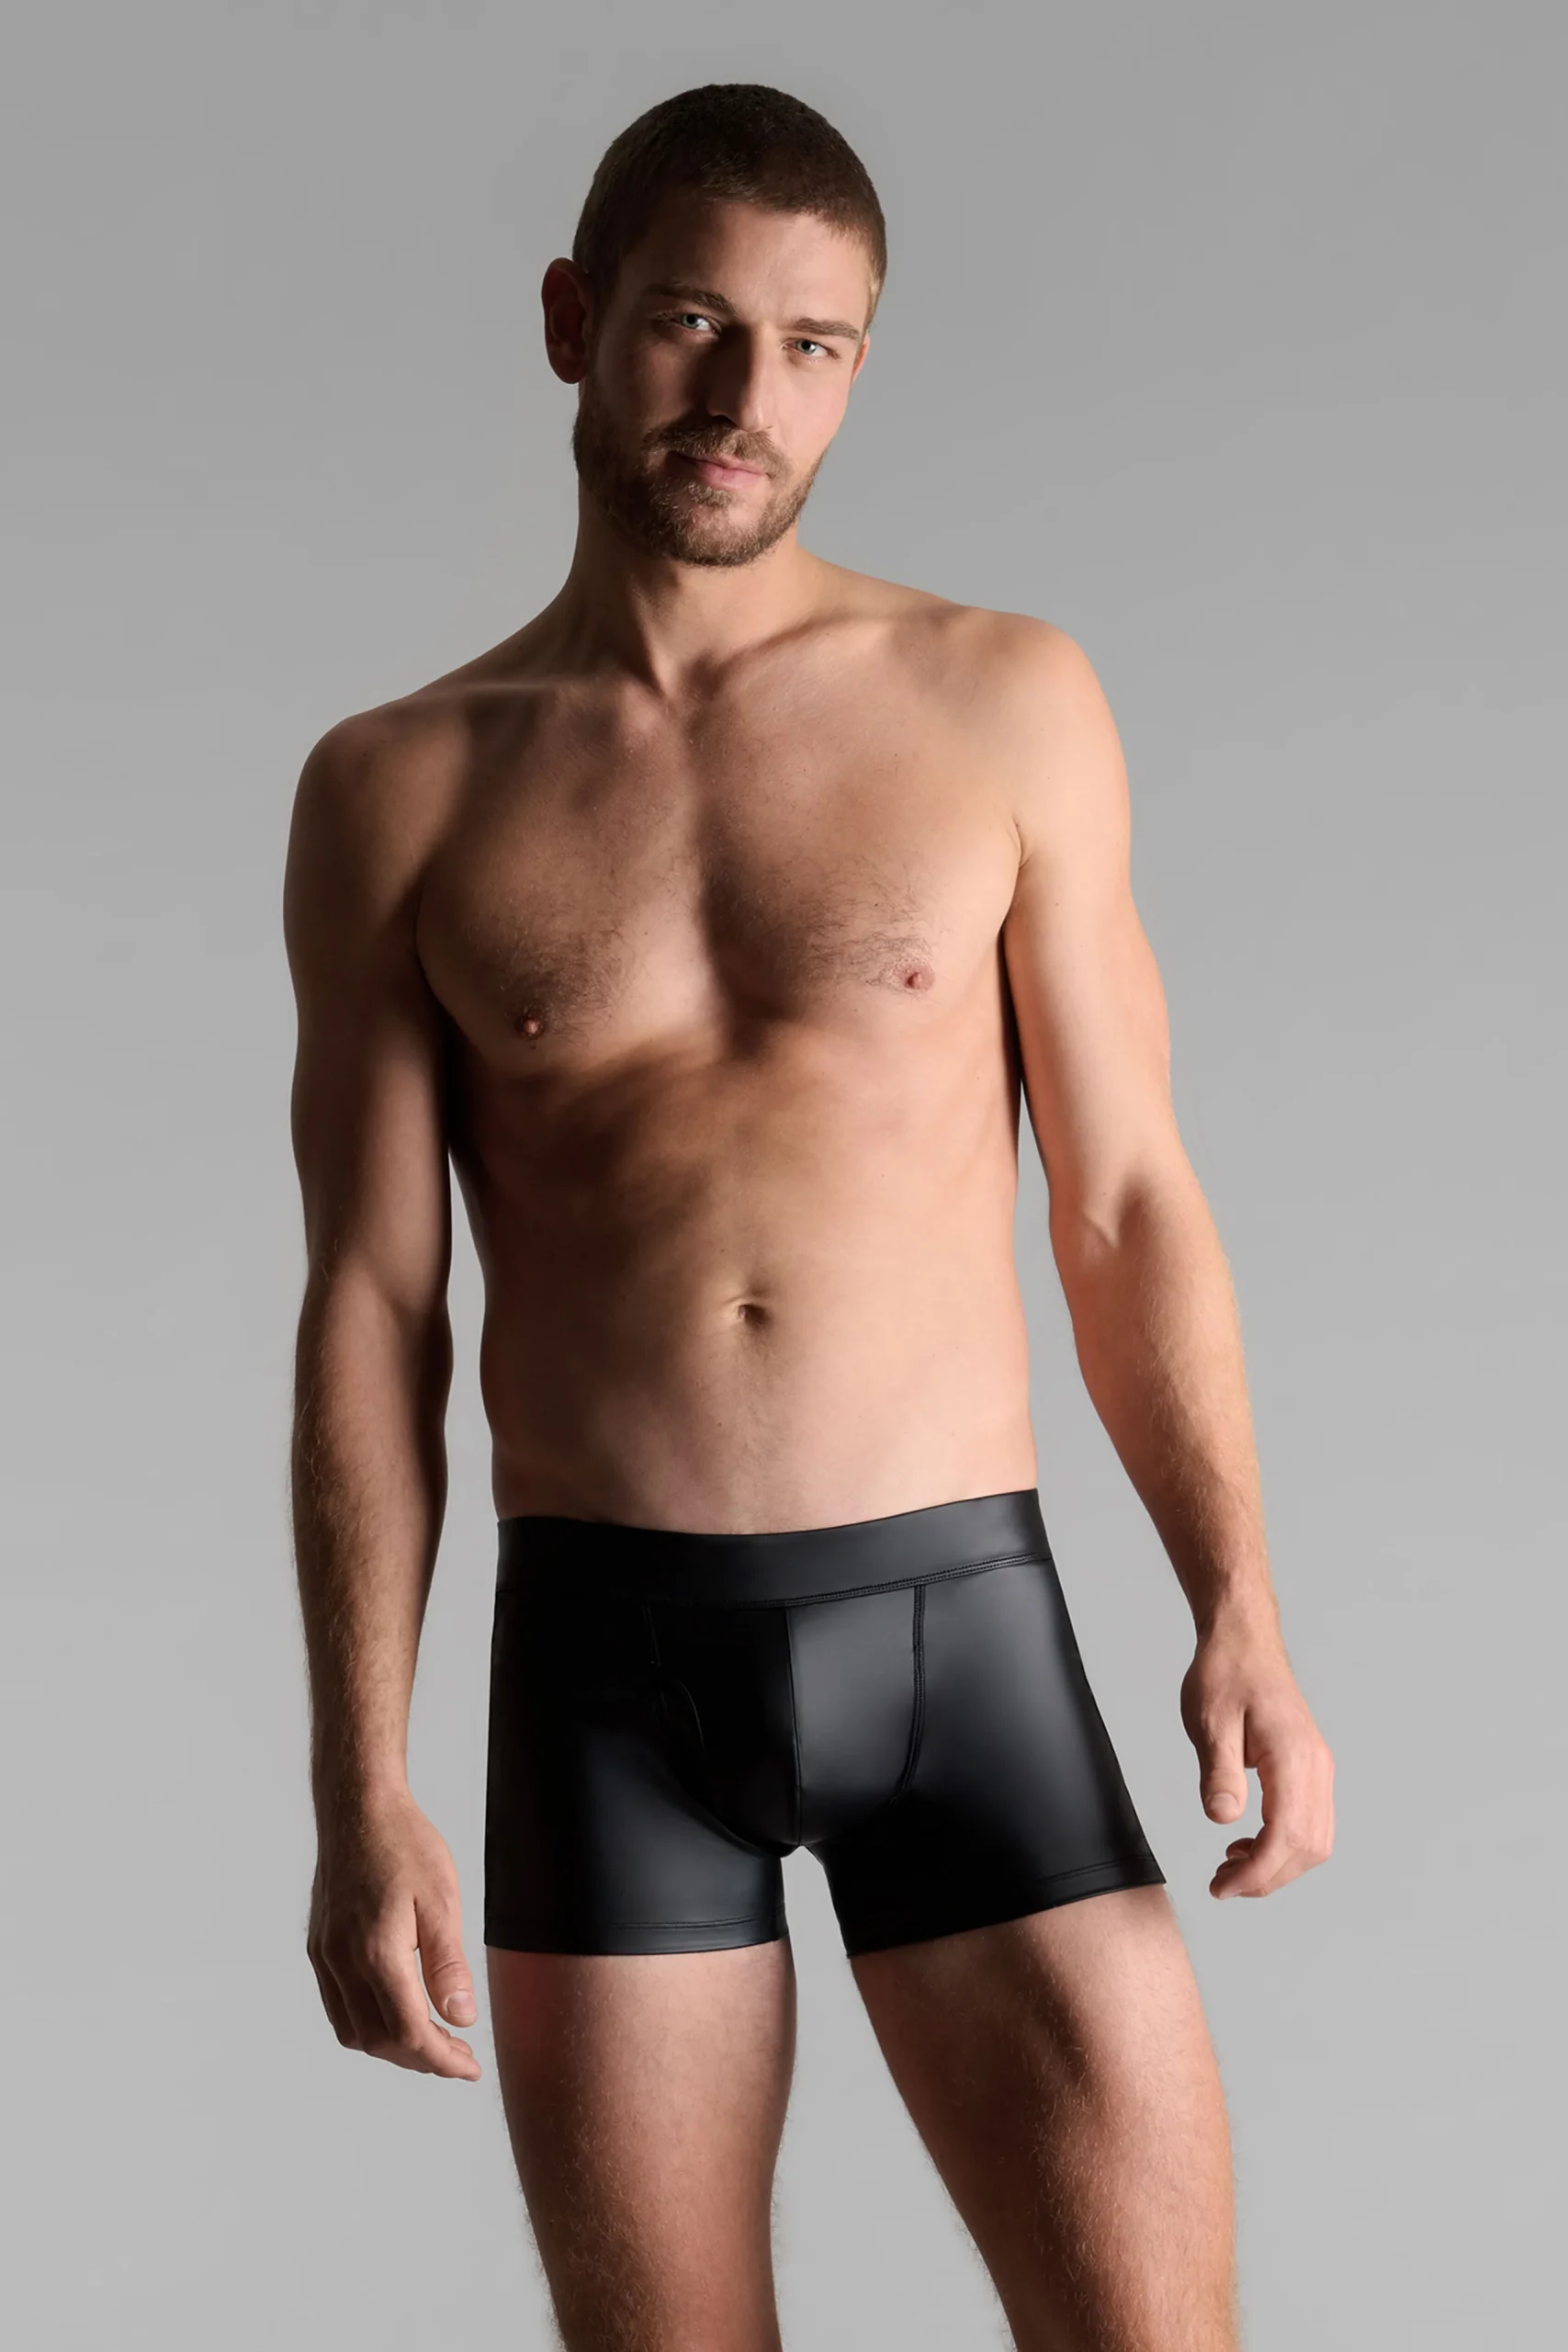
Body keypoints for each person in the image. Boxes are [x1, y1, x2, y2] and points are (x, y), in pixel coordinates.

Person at [284, 79, 1334, 2352]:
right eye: (692, 322)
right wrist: (359, 1781)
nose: (748, 395)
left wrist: (1236, 1594)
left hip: (958, 1630)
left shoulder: (997, 700)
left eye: (816, 343)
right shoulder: (397, 788)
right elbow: (371, 1302)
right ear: (573, 322)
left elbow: (1125, 1195)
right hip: (604, 1678)